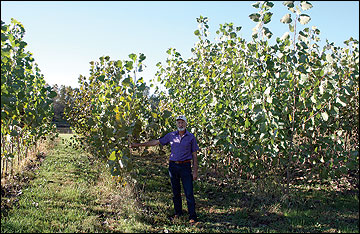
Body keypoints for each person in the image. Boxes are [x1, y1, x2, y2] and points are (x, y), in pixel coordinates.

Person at [130, 115, 199, 225]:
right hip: (173, 167)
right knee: (175, 191)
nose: (180, 125)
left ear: (186, 124)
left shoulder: (191, 137)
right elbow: (156, 142)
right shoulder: (171, 135)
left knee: (189, 192)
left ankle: (192, 217)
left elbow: (195, 155)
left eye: (182, 123)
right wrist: (138, 145)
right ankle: (178, 213)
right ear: (176, 124)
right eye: (178, 123)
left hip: (185, 167)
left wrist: (195, 171)